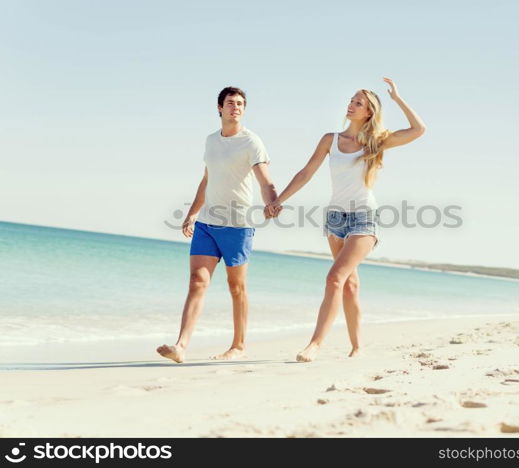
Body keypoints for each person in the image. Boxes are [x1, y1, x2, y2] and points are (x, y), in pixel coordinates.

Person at [267, 78, 426, 362]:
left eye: (358, 103)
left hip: (364, 219)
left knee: (334, 278)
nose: (351, 105)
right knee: (349, 284)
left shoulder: (377, 141)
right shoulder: (331, 140)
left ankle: (315, 344)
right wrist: (280, 200)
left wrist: (397, 99)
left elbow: (418, 130)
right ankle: (357, 347)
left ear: (369, 112)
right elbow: (306, 173)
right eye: (351, 100)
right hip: (335, 219)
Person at [157, 86, 277, 363]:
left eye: (240, 103)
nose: (236, 107)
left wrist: (271, 200)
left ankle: (239, 345)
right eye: (231, 103)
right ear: (219, 108)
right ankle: (181, 345)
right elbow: (207, 180)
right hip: (207, 224)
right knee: (197, 281)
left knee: (236, 287)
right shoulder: (211, 141)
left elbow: (265, 179)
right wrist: (192, 214)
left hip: (238, 225)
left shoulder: (252, 142)